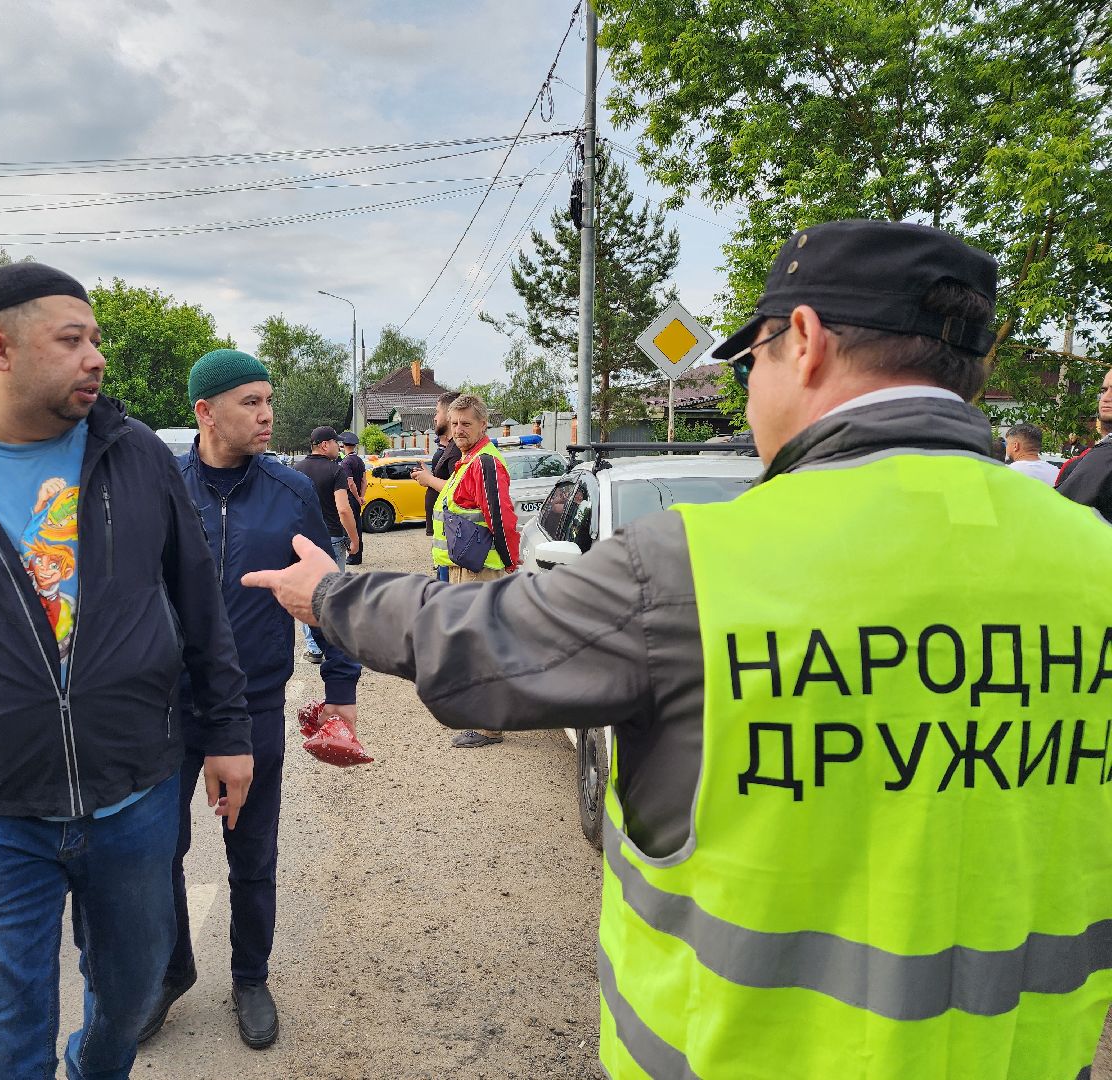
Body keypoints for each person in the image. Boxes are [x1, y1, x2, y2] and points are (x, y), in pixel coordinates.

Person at [244, 219, 1112, 1078]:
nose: (746, 391)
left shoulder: (697, 564)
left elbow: (475, 645)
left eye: (752, 359)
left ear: (802, 341)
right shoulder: (1093, 554)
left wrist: (328, 594)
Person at [0, 262, 253, 1080]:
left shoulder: (135, 453)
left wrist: (227, 732)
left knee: (133, 1002)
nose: (96, 358)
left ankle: (92, 1063)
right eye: (73, 341)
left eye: (95, 338)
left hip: (134, 796)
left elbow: (198, 607)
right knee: (0, 1052)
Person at [140, 349, 361, 1051]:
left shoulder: (292, 489)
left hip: (257, 693)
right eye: (250, 402)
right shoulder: (162, 486)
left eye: (269, 400)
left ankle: (249, 976)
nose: (267, 414)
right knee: (156, 849)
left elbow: (330, 587)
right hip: (168, 705)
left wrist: (341, 688)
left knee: (252, 849)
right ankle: (169, 972)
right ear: (204, 412)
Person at [425, 393, 519, 749]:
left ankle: (490, 725)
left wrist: (509, 561)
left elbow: (501, 516)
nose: (459, 429)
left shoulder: (484, 464)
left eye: (467, 423)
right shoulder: (468, 461)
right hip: (469, 568)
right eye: (455, 423)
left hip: (483, 571)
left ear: (483, 425)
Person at [294, 425, 360, 664]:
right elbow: (343, 508)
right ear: (324, 444)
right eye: (335, 442)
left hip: (304, 541)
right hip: (331, 538)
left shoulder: (296, 469)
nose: (339, 446)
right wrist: (355, 539)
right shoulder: (336, 471)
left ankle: (313, 648)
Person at [411, 391, 463, 579]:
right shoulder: (451, 447)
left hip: (453, 537)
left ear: (449, 415)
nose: (434, 417)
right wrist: (428, 476)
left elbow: (458, 490)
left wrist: (429, 480)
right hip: (445, 536)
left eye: (437, 412)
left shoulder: (457, 449)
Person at [1055, 367, 1112, 519]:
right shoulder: (1089, 457)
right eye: (1104, 390)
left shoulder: (1102, 460)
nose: (1106, 398)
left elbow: (1058, 517)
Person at [337, 430, 366, 566]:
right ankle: (358, 555)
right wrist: (362, 496)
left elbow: (350, 483)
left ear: (343, 445)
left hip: (350, 498)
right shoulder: (360, 460)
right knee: (358, 526)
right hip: (358, 498)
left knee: (350, 527)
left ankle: (353, 556)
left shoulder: (346, 462)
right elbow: (364, 482)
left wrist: (356, 496)